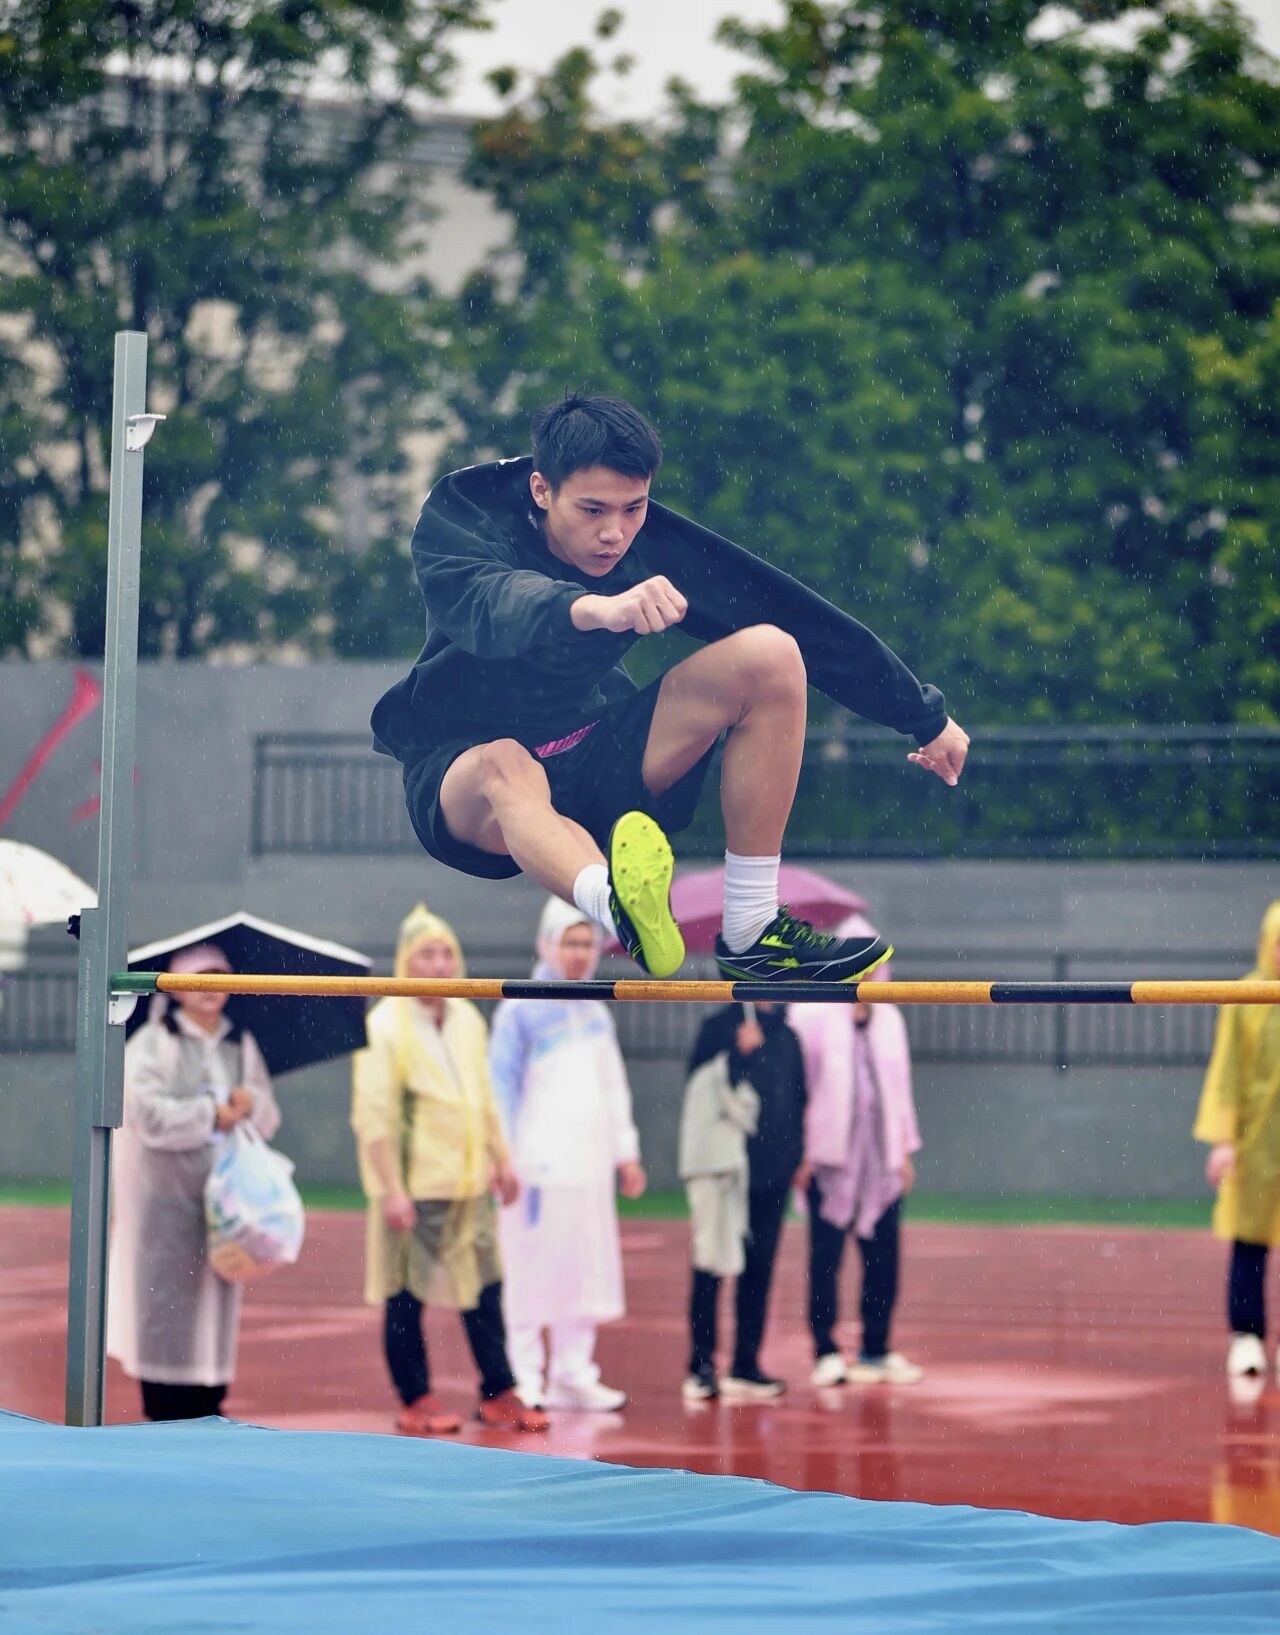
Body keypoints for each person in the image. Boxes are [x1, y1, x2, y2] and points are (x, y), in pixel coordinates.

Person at [371, 392, 969, 983]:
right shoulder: (466, 514)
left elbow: (793, 612)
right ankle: (617, 908)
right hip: (464, 780)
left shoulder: (650, 543)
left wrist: (923, 716)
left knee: (772, 652)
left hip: (595, 757)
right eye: (592, 511)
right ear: (541, 490)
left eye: (633, 508)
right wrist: (593, 608)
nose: (615, 534)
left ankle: (753, 928)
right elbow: (489, 601)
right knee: (506, 762)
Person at [350, 904, 547, 1435]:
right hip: (414, 1189)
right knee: (404, 1294)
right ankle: (415, 1398)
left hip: (469, 1183)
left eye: (446, 954)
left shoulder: (466, 1018)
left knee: (485, 1288)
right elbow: (374, 1116)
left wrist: (501, 1158)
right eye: (426, 955)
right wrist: (391, 1188)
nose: (439, 965)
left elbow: (483, 1096)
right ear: (404, 962)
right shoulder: (384, 1024)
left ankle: (499, 1391)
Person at [107, 943, 281, 1422]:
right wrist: (209, 1114)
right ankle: (163, 1408)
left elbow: (268, 1114)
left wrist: (250, 1105)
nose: (211, 986)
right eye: (199, 976)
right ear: (177, 985)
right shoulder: (153, 1043)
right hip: (164, 1204)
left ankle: (209, 1402)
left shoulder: (239, 1044)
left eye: (220, 975)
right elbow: (145, 1116)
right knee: (164, 1302)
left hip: (223, 1206)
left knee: (214, 1303)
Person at [489, 896, 646, 1412]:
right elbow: (499, 1088)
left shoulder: (596, 1010)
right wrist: (504, 1157)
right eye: (569, 942)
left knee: (583, 1269)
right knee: (530, 1270)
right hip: (534, 1168)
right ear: (547, 944)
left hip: (589, 1168)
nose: (579, 953)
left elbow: (614, 1087)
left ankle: (573, 1374)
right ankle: (525, 1376)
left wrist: (625, 1154)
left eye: (586, 943)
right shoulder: (519, 1008)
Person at [790, 920, 924, 1386]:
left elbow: (900, 1089)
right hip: (828, 1160)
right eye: (857, 961)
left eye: (874, 963)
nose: (867, 972)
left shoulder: (890, 1018)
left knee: (884, 1259)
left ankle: (876, 1348)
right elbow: (798, 1088)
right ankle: (825, 1351)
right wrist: (801, 1152)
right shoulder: (810, 1014)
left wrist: (903, 1151)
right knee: (825, 1259)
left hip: (879, 1159)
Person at [680, 999, 808, 1401]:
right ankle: (701, 1366)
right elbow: (699, 1089)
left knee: (759, 1269)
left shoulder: (788, 1036)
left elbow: (798, 1100)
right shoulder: (719, 1026)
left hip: (773, 1173)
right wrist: (737, 1054)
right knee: (711, 1263)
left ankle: (746, 1364)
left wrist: (797, 1156)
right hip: (726, 1170)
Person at [1194, 900, 1280, 1383]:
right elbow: (1227, 1072)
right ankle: (1246, 1335)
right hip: (1254, 1147)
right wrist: (1224, 1140)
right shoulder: (1244, 996)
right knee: (1249, 1242)